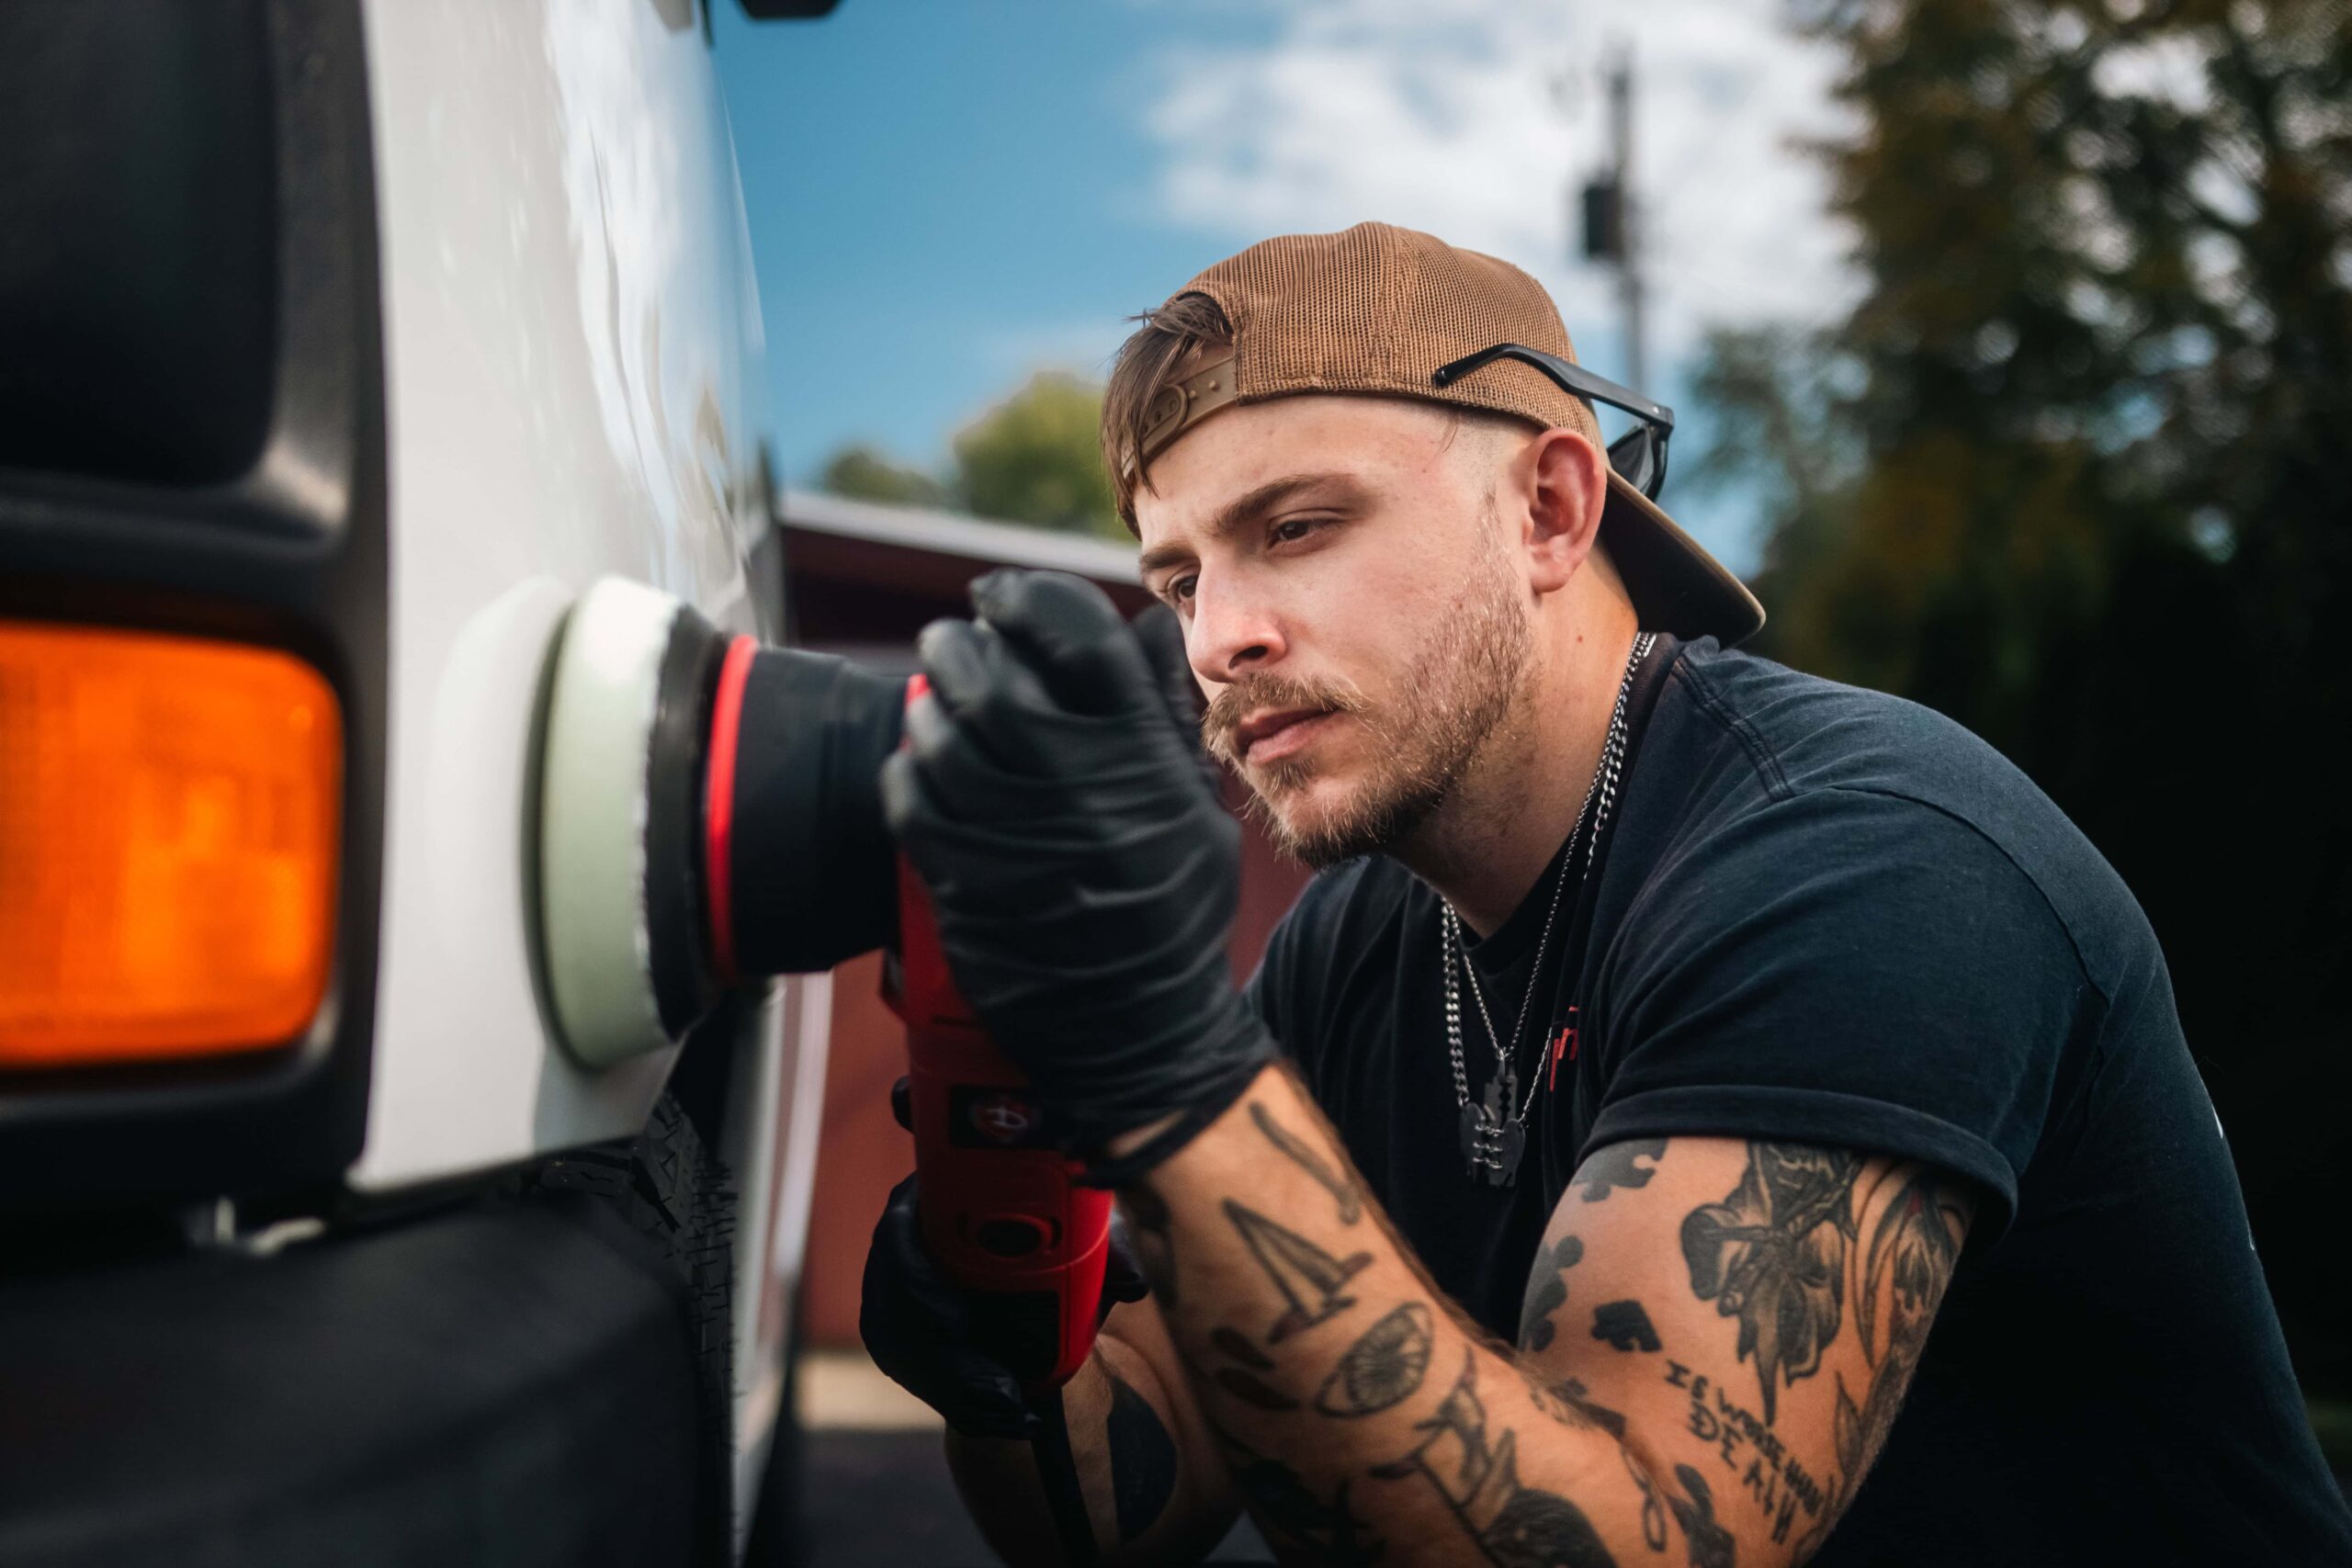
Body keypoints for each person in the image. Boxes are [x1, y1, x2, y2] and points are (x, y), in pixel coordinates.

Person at [862, 221, 2352, 1565]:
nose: (1218, 639)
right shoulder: (1354, 946)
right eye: (1181, 580)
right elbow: (1135, 1501)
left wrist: (1169, 1066)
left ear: (1551, 509)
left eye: (1297, 527)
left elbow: (1646, 1540)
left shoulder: (1862, 857)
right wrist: (1013, 1295)